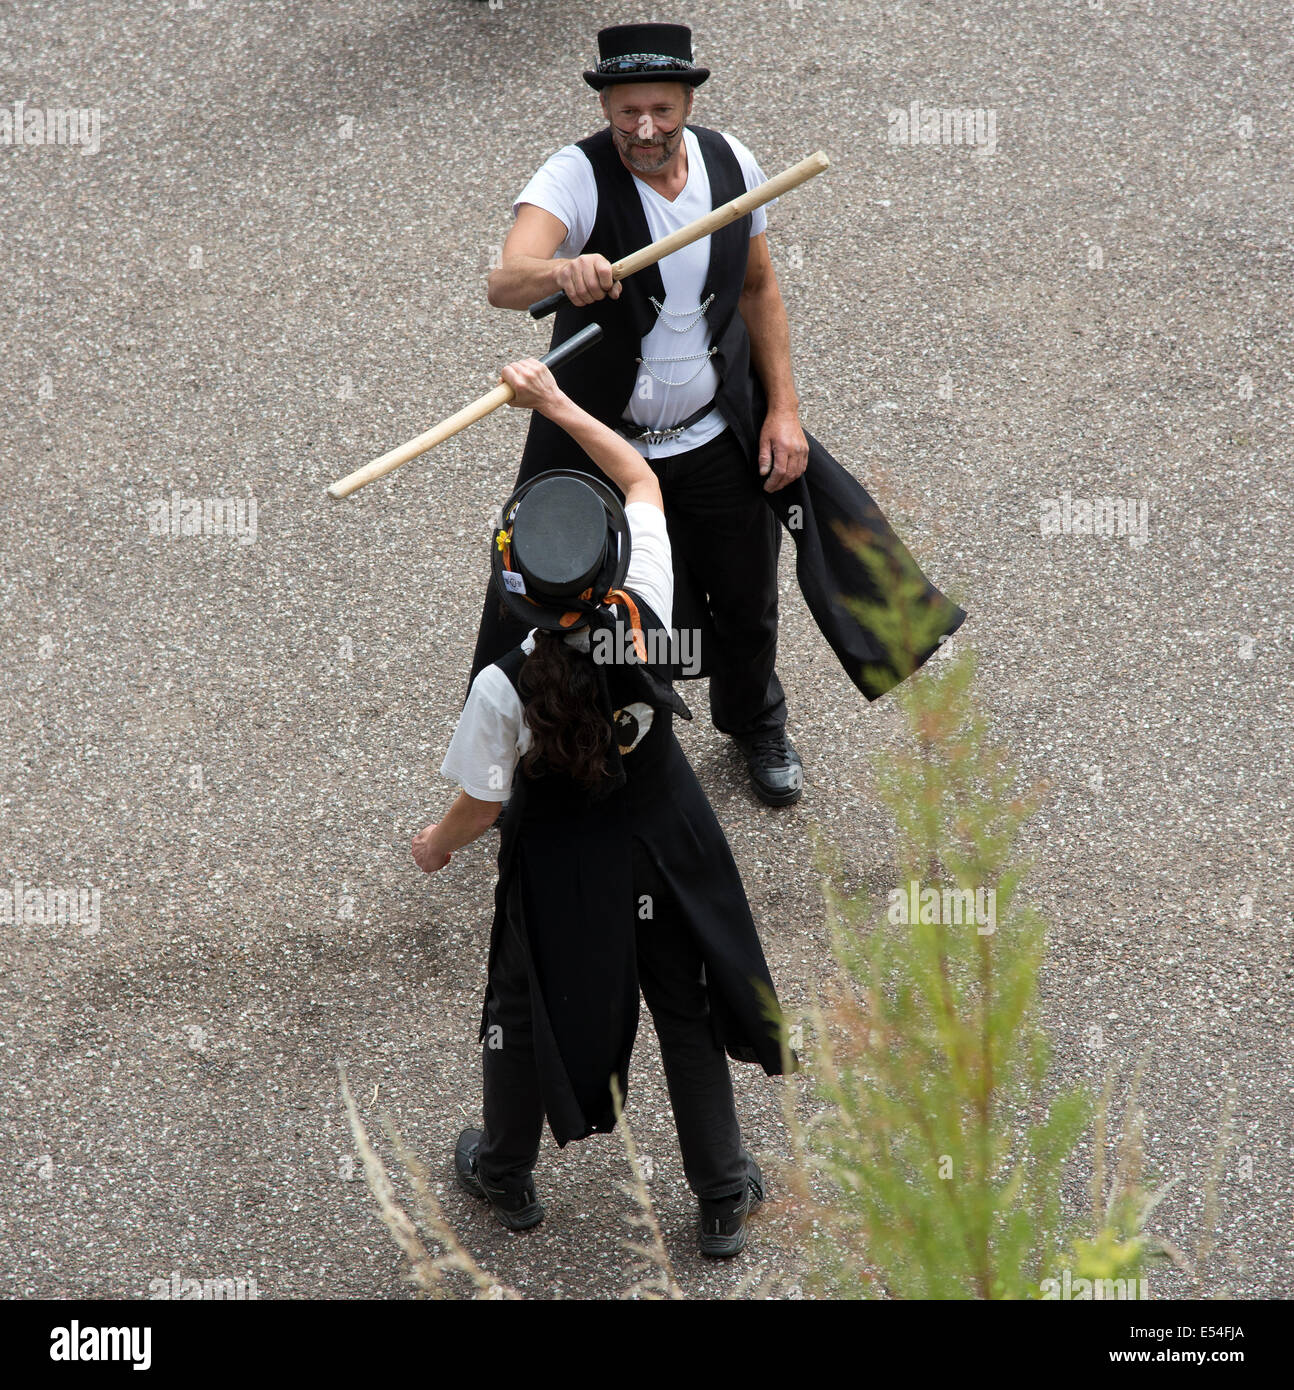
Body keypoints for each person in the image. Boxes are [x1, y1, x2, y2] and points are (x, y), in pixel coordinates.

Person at [470, 21, 967, 808]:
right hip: (603, 445)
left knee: (744, 599)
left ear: (688, 100)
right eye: (627, 111)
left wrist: (785, 411)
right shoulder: (575, 175)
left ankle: (754, 723)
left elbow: (759, 289)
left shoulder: (733, 164)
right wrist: (561, 269)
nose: (644, 129)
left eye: (661, 110)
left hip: (713, 430)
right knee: (565, 605)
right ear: (606, 107)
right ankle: (544, 754)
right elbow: (504, 282)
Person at [413, 355, 795, 1257]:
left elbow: (480, 802)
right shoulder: (648, 597)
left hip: (561, 860)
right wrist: (556, 402)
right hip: (664, 831)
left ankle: (506, 1173)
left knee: (523, 999)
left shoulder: (506, 688)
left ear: (521, 592)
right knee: (688, 1003)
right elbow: (636, 473)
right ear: (607, 563)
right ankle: (722, 1192)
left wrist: (435, 846)